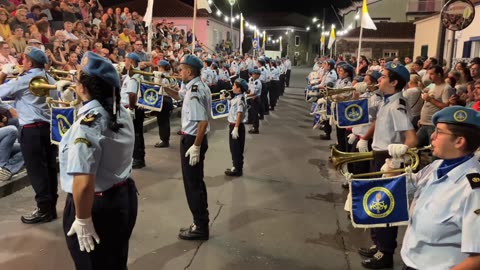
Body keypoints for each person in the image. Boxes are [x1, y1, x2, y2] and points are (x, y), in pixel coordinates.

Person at [59, 51, 138, 269]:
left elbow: (83, 183)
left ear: (83, 88)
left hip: (95, 205)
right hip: (123, 197)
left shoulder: (88, 125)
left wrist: (82, 219)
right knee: (115, 262)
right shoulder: (120, 112)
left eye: (76, 80)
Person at [401, 106, 480, 269]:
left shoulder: (473, 190)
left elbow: (477, 259)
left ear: (459, 141)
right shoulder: (437, 165)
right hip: (411, 260)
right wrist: (393, 167)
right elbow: (406, 187)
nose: (432, 136)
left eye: (439, 131)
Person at [359, 62, 418, 269]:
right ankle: (378, 244)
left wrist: (396, 159)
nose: (379, 79)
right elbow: (378, 122)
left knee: (384, 207)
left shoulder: (397, 105)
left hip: (388, 160)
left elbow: (411, 138)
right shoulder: (388, 100)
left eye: (383, 77)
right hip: (378, 155)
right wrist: (364, 138)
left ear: (394, 82)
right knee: (375, 204)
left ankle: (385, 253)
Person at [0, 46, 61, 224]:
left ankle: (43, 209)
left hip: (31, 129)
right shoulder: (49, 78)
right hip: (49, 129)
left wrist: (3, 74)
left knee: (36, 170)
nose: (21, 63)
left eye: (24, 60)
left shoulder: (26, 79)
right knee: (49, 168)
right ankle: (50, 207)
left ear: (30, 62)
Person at [163, 54, 212, 240]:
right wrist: (164, 87)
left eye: (181, 69)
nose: (179, 72)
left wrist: (196, 147)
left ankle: (200, 226)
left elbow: (202, 123)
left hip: (193, 140)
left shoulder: (194, 91)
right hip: (194, 139)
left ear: (189, 71)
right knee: (197, 182)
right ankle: (201, 221)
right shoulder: (195, 86)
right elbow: (178, 95)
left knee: (192, 185)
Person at [121, 53, 145, 169]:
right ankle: (138, 157)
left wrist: (130, 109)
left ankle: (138, 159)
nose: (124, 62)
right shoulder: (135, 74)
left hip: (132, 107)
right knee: (137, 133)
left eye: (126, 60)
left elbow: (132, 93)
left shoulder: (134, 75)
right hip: (134, 106)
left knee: (135, 134)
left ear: (131, 61)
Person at [225, 78, 248, 177]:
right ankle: (236, 166)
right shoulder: (237, 97)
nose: (232, 87)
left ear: (239, 88)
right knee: (234, 148)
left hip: (236, 126)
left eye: (234, 85)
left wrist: (236, 128)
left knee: (236, 149)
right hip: (234, 125)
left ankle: (237, 170)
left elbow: (239, 113)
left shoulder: (240, 99)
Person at [153, 60, 174, 148]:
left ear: (161, 67)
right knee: (165, 121)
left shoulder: (161, 76)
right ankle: (165, 139)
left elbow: (156, 87)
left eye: (158, 66)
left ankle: (164, 140)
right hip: (167, 99)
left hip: (163, 99)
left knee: (162, 121)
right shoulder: (168, 75)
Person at [247, 69, 262, 134]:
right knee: (252, 112)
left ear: (258, 75)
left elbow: (254, 93)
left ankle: (255, 129)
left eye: (254, 74)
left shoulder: (257, 82)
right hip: (252, 98)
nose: (252, 75)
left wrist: (246, 95)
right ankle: (253, 125)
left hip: (255, 99)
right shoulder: (253, 80)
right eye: (252, 74)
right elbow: (250, 88)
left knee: (255, 114)